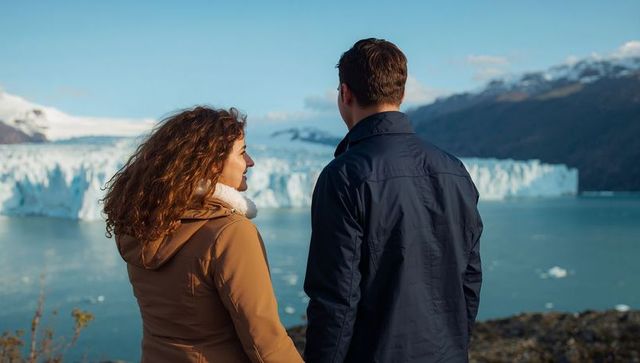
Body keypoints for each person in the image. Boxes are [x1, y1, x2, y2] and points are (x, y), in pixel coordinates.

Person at [303, 38, 483, 362]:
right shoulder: (454, 170)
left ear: (345, 93)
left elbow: (336, 299)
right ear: (401, 93)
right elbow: (468, 279)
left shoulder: (344, 176)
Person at [102, 107, 303, 363]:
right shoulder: (230, 232)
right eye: (242, 152)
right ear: (212, 162)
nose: (250, 161)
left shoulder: (143, 225)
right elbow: (264, 339)